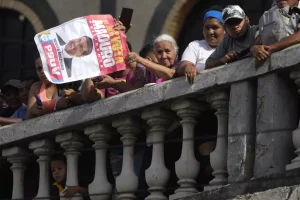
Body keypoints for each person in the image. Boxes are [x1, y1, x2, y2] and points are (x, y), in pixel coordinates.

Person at [178, 6, 225, 84]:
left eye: (215, 27)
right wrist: (187, 67)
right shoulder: (196, 46)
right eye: (207, 28)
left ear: (225, 29)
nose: (210, 32)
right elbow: (183, 66)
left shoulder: (232, 45)